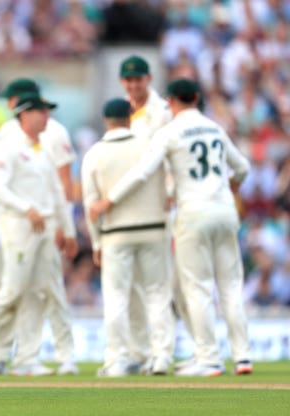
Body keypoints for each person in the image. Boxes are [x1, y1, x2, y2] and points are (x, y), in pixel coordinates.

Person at [89, 79, 252, 377]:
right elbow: (242, 167)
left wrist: (108, 200)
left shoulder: (170, 131)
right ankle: (242, 357)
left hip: (193, 214)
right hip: (225, 211)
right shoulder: (215, 128)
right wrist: (233, 185)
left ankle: (209, 358)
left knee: (197, 288)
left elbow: (142, 173)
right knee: (230, 286)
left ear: (171, 102)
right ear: (198, 98)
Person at [0, 78, 79, 376]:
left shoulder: (43, 148)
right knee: (11, 290)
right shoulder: (8, 145)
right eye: (41, 111)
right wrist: (28, 209)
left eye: (47, 112)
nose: (46, 117)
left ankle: (27, 359)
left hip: (44, 227)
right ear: (24, 113)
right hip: (18, 227)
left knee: (40, 292)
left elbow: (57, 194)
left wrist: (70, 230)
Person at [81, 98, 173, 377]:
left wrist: (96, 242)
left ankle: (119, 359)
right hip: (153, 228)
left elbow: (90, 203)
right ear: (130, 115)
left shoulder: (94, 153)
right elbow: (167, 185)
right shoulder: (149, 145)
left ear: (104, 119)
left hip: (116, 234)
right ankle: (160, 357)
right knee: (157, 294)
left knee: (116, 297)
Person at [117, 55, 188, 373]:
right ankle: (139, 350)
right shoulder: (120, 111)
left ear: (148, 79)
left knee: (158, 285)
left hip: (156, 204)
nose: (133, 86)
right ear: (122, 82)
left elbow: (174, 155)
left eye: (138, 80)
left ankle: (162, 353)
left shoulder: (162, 113)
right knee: (129, 283)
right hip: (124, 205)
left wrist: (171, 191)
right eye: (128, 81)